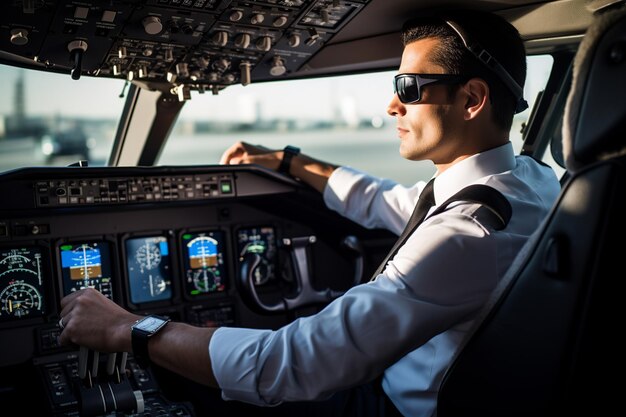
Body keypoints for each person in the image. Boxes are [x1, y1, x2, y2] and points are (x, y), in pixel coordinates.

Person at [58, 9, 561, 417]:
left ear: (472, 99)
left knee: (195, 389)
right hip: (420, 383)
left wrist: (128, 330)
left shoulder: (466, 233)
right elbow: (381, 199)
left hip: (390, 404)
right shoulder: (528, 182)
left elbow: (292, 363)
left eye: (409, 87)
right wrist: (286, 162)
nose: (391, 105)